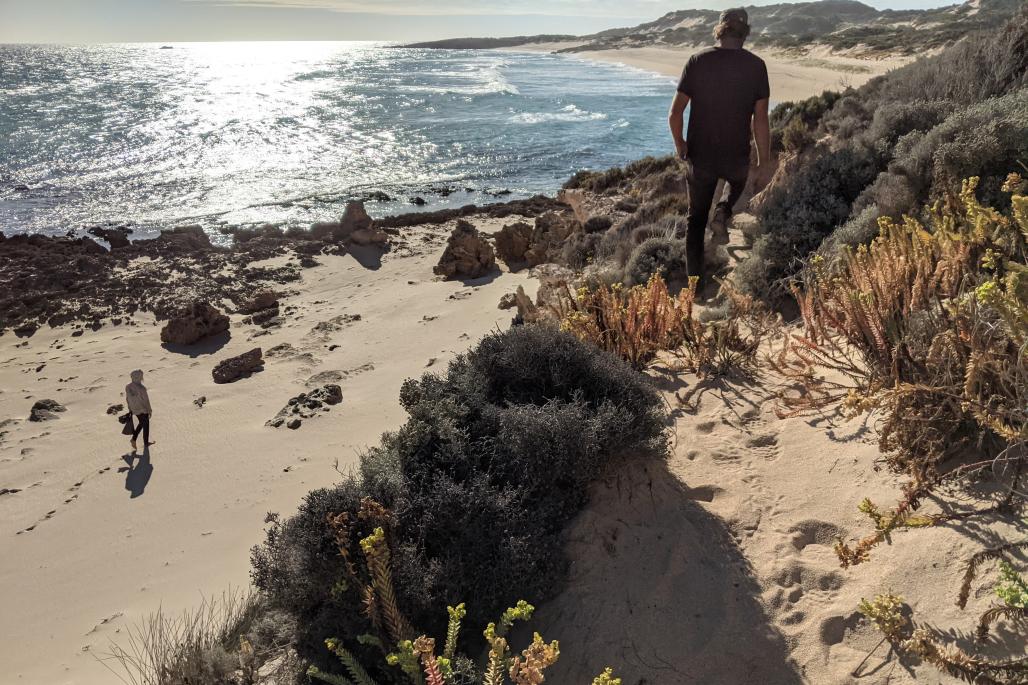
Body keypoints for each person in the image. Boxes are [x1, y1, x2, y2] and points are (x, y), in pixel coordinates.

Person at [668, 8, 772, 288]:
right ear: (745, 33)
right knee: (738, 182)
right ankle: (723, 212)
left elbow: (675, 114)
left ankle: (695, 288)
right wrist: (763, 162)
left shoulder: (697, 61)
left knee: (695, 221)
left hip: (700, 158)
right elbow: (760, 120)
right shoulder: (756, 66)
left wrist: (681, 144)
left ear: (719, 30)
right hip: (735, 157)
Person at [125, 369, 154, 451]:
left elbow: (127, 399)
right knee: (146, 425)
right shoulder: (142, 388)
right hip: (143, 409)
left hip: (135, 409)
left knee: (142, 423)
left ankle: (134, 440)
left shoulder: (128, 386)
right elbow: (146, 401)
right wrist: (149, 410)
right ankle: (143, 442)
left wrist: (130, 408)